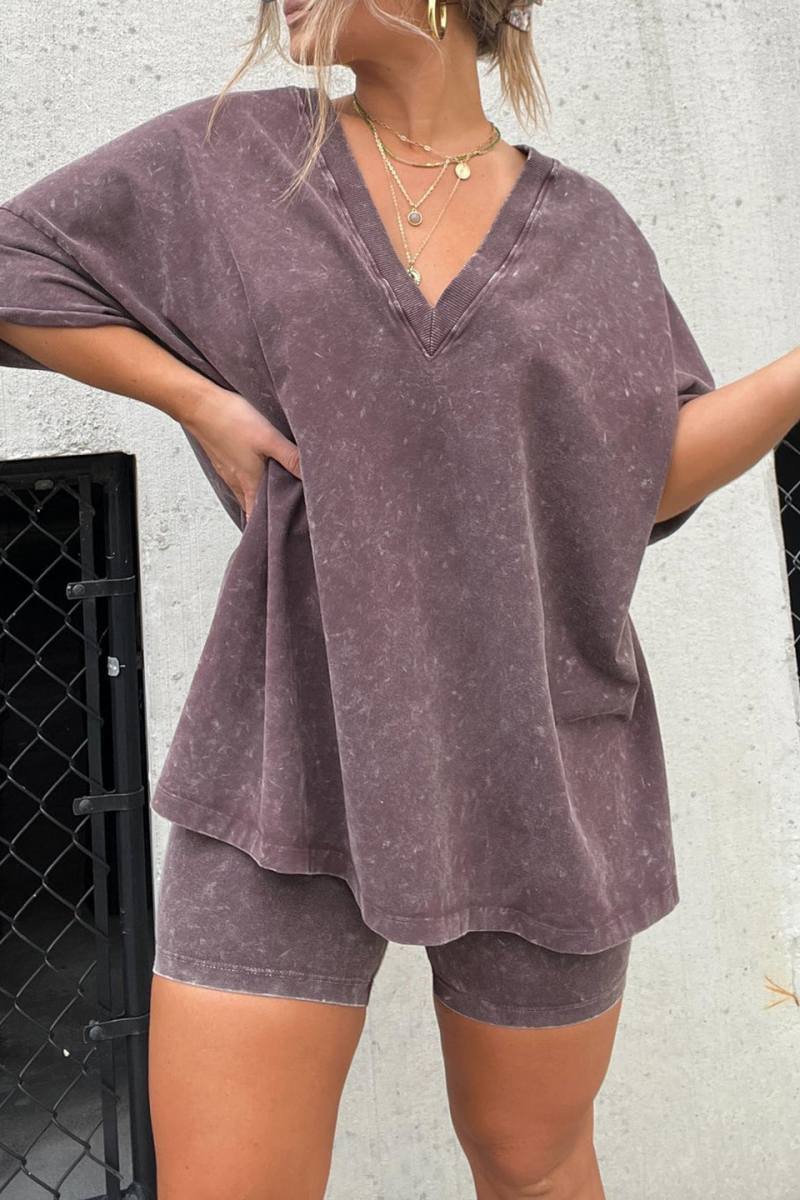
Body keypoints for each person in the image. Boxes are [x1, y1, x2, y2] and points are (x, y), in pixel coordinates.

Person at [0, 1, 798, 1196]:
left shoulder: (588, 235)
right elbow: (17, 260)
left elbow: (644, 474)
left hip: (539, 757)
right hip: (287, 744)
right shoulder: (238, 159)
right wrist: (194, 398)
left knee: (533, 1167)